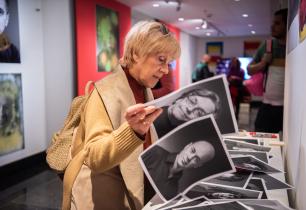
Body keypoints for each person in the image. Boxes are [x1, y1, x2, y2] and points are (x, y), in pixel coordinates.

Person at [62, 21, 180, 210]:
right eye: (160, 59)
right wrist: (132, 132)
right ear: (136, 54)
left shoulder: (143, 87)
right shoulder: (104, 92)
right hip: (103, 198)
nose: (165, 70)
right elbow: (94, 157)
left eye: (168, 63)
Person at [247, 9, 288, 133]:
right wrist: (263, 63)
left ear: (287, 25)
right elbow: (249, 70)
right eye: (273, 23)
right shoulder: (268, 45)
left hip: (288, 107)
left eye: (277, 23)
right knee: (260, 135)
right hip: (267, 106)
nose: (272, 26)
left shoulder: (294, 46)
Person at [142, 140, 215, 200]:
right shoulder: (155, 152)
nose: (189, 157)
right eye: (192, 150)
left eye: (196, 159)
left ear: (197, 165)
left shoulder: (173, 191)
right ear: (187, 146)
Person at [154, 88, 221, 137]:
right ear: (182, 98)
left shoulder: (174, 139)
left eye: (199, 113)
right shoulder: (154, 97)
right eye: (192, 101)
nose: (189, 109)